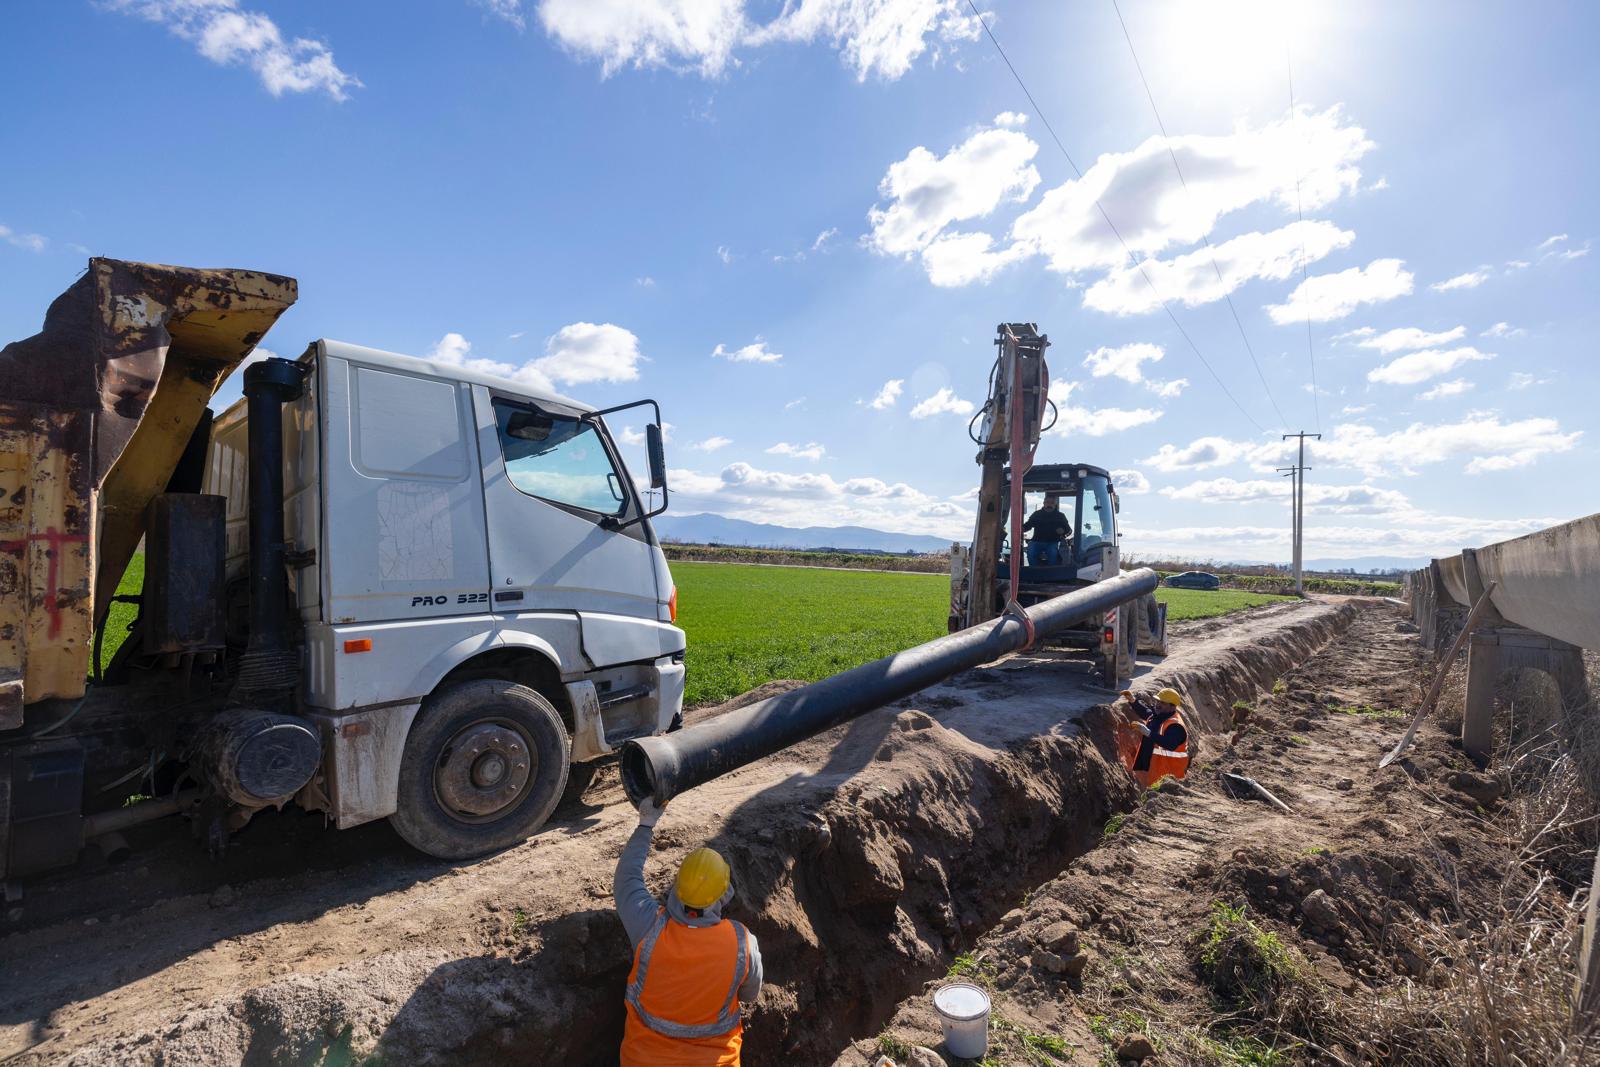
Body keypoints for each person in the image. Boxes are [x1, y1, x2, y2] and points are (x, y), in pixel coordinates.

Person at [614, 797, 763, 1066]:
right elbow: (750, 995)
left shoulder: (648, 925)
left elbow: (627, 878)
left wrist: (646, 824)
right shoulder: (742, 944)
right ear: (723, 895)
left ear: (677, 886)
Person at [1118, 687, 1190, 788]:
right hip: (1155, 767)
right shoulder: (1160, 715)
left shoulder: (1175, 726)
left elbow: (1170, 744)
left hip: (1169, 774)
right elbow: (1146, 712)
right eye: (1158, 701)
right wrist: (1133, 700)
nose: (1158, 704)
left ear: (1172, 707)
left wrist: (1148, 733)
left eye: (1163, 703)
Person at [1021, 492, 1072, 566]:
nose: (1049, 504)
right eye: (1047, 502)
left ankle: (1052, 572)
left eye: (1052, 503)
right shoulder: (1037, 514)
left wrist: (1063, 531)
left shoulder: (1060, 516)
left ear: (1055, 504)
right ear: (1044, 503)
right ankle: (1034, 570)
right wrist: (1022, 529)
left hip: (1053, 542)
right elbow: (1028, 525)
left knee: (1052, 551)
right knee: (1031, 549)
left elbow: (1069, 531)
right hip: (1036, 541)